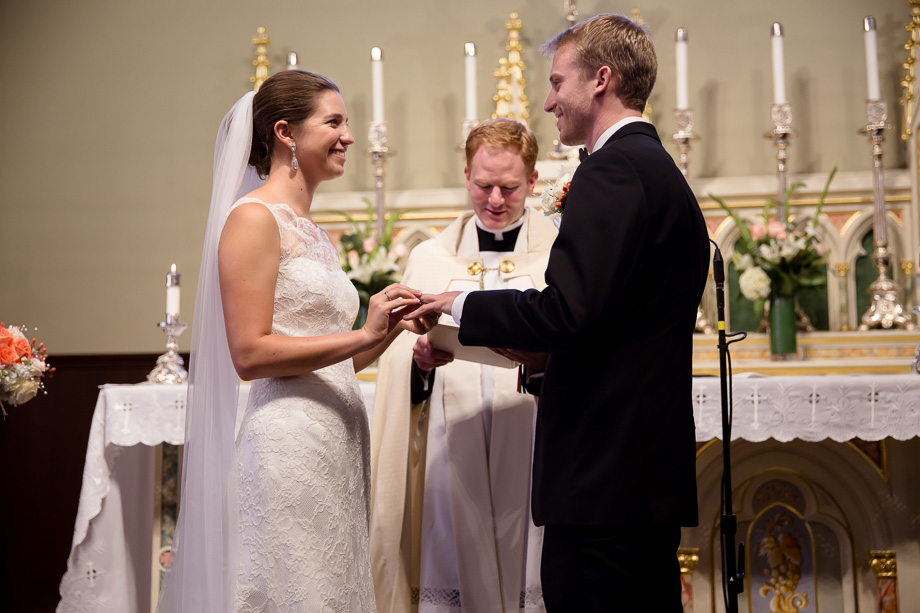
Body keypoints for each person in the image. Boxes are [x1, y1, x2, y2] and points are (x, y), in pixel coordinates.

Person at [405, 14, 710, 612]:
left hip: (604, 478)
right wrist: (541, 360)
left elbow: (568, 311)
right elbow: (609, 324)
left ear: (600, 80)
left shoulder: (613, 169)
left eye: (557, 83)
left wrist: (457, 305)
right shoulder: (656, 169)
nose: (548, 102)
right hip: (633, 474)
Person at [156, 70, 436, 612]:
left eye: (347, 122)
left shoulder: (311, 227)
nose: (348, 136)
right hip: (289, 448)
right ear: (285, 132)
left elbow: (331, 364)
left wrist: (389, 328)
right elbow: (250, 354)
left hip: (336, 444)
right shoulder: (253, 219)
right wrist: (361, 330)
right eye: (333, 122)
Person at [370, 118, 557, 613]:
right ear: (466, 175)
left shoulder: (559, 255)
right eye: (482, 185)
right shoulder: (430, 258)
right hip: (450, 444)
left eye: (510, 187)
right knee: (451, 555)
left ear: (534, 181)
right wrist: (423, 364)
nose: (495, 199)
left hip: (534, 432)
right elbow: (396, 365)